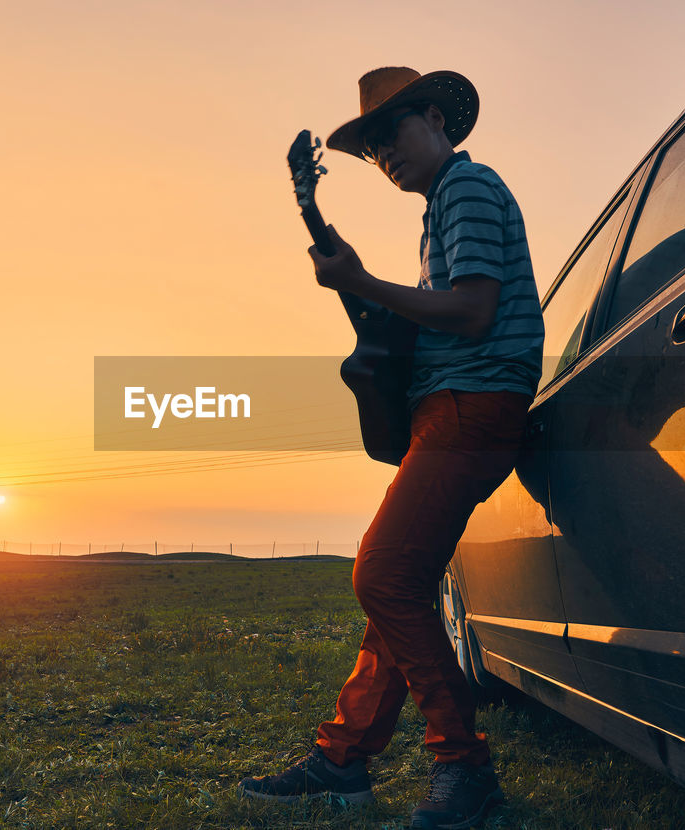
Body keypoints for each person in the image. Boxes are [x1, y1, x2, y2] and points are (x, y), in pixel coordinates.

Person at [239, 67, 544, 829]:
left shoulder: (466, 191)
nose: (384, 157)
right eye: (371, 149)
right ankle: (345, 758)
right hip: (450, 411)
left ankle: (464, 767)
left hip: (472, 409)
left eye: (391, 135)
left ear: (434, 117)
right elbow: (432, 318)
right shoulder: (445, 204)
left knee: (380, 576)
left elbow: (472, 313)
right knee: (397, 589)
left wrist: (365, 283)